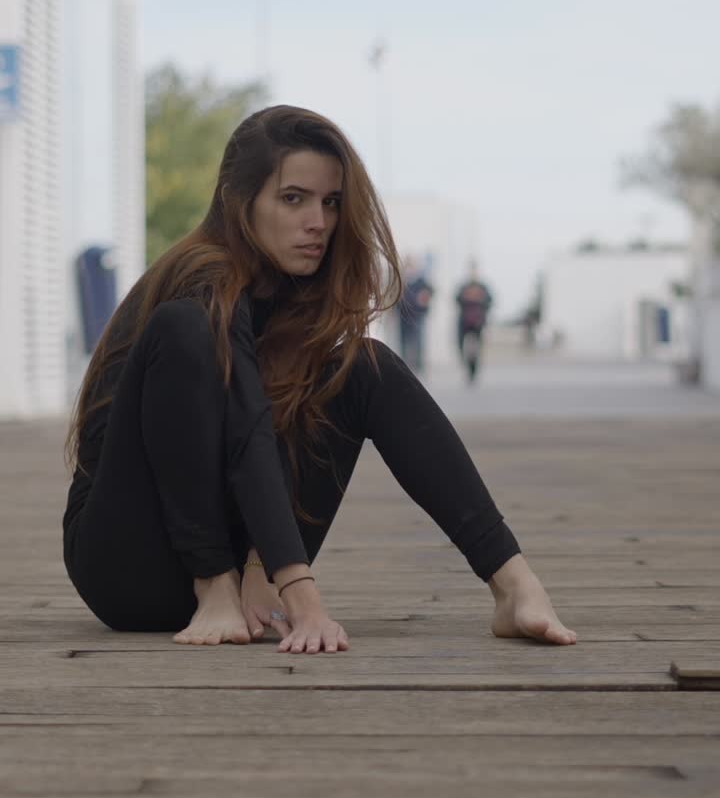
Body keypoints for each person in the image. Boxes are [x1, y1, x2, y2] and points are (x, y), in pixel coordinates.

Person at [63, 105, 576, 654]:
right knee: (187, 328)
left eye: (330, 202)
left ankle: (514, 585)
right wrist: (303, 600)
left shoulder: (290, 290)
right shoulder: (204, 281)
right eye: (293, 199)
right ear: (242, 204)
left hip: (244, 572)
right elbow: (246, 436)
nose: (319, 222)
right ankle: (215, 585)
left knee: (366, 366)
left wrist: (262, 568)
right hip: (127, 562)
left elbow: (269, 432)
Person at [455, 262, 493, 380]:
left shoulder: (483, 286)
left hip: (477, 322)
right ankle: (466, 365)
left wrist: (479, 302)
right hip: (465, 321)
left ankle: (474, 370)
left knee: (476, 347)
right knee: (462, 344)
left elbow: (489, 300)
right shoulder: (464, 286)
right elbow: (457, 299)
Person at [397, 257, 434, 373]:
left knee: (418, 340)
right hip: (403, 316)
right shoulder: (401, 281)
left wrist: (424, 299)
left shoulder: (421, 281)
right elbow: (396, 298)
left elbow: (431, 291)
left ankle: (419, 365)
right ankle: (404, 365)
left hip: (418, 316)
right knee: (403, 341)